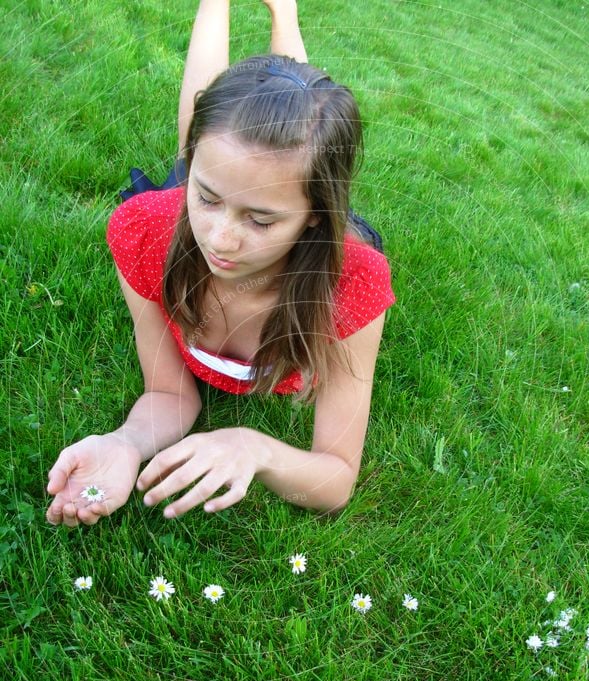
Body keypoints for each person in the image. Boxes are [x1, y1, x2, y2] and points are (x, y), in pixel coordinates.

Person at [45, 0, 395, 527]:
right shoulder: (146, 232)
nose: (220, 240)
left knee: (304, 115)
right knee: (216, 136)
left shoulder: (350, 287)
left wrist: (257, 449)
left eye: (260, 220)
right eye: (207, 199)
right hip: (184, 205)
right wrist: (125, 442)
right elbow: (167, 391)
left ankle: (286, 17)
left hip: (313, 242)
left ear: (315, 218)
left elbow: (336, 476)